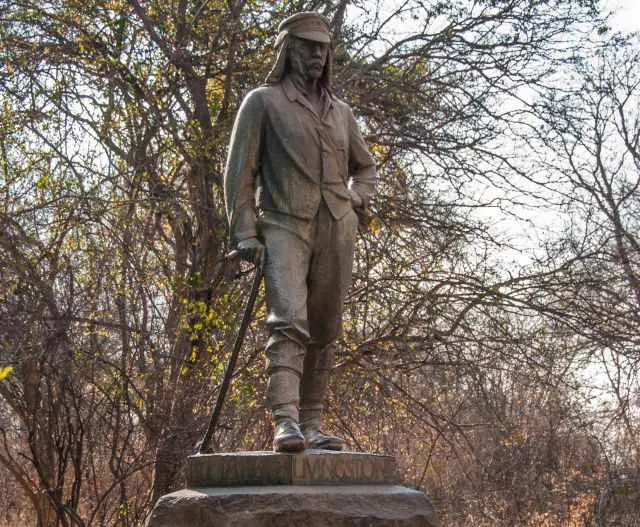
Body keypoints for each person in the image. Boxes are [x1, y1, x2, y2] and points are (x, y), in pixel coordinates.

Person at [223, 12, 376, 452]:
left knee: (325, 326)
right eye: (307, 46)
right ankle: (285, 421)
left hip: (336, 226)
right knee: (289, 319)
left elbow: (365, 166)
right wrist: (245, 233)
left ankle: (311, 423)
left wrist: (358, 197)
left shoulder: (342, 112)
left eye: (322, 48)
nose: (315, 55)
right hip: (284, 224)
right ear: (287, 48)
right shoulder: (263, 102)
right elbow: (241, 174)